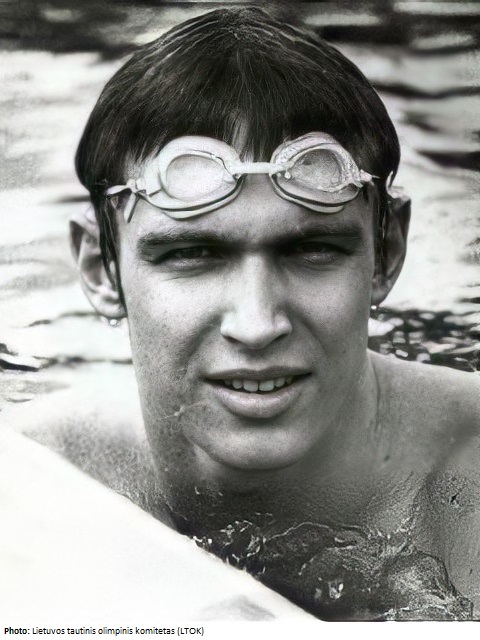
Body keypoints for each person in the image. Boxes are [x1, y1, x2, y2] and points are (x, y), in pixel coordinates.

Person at [12, 5, 480, 621]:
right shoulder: (30, 484)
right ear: (103, 269)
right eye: (191, 255)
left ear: (386, 253)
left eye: (312, 249)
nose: (257, 326)